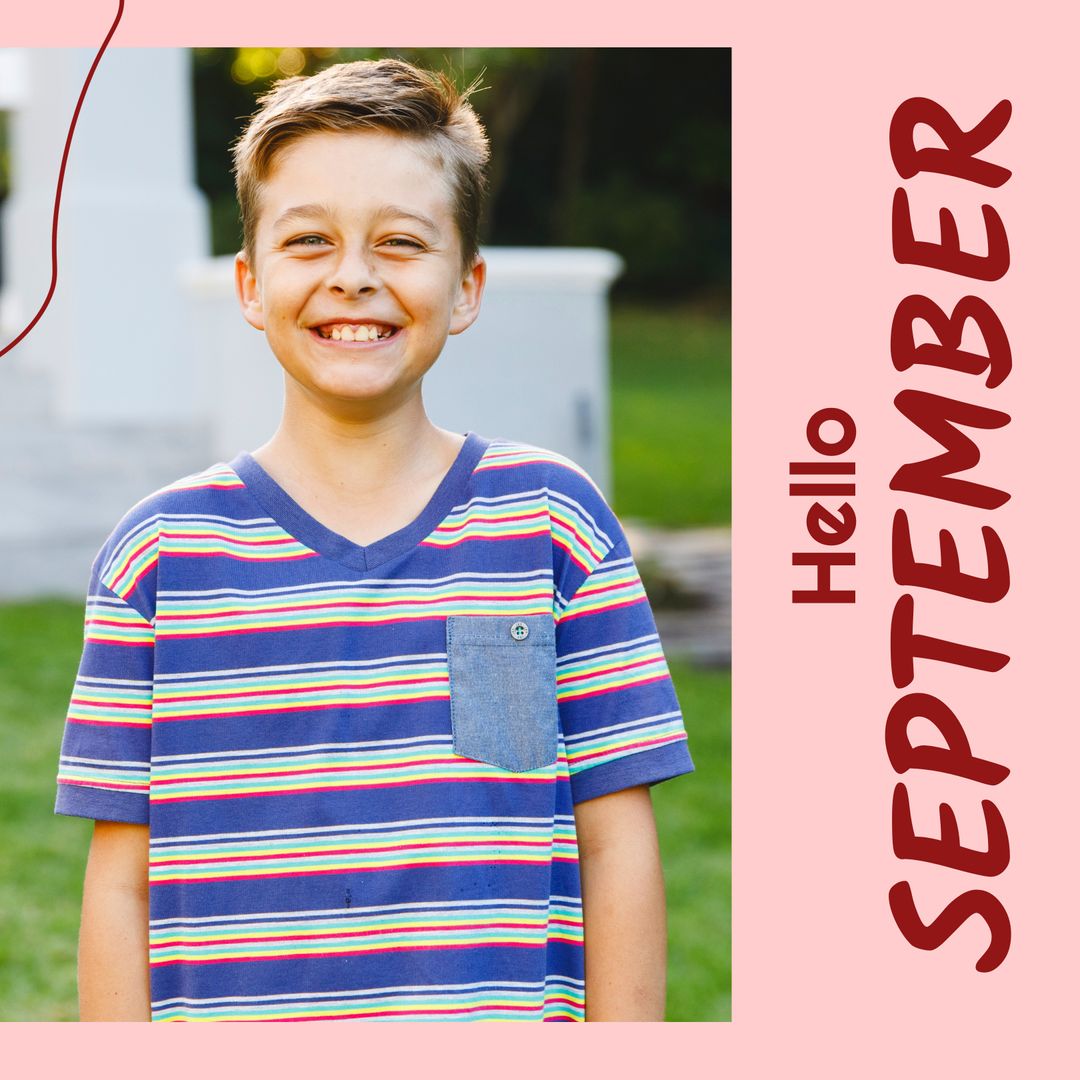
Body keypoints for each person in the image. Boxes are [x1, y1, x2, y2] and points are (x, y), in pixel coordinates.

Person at [55, 57, 693, 1023]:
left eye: (400, 242)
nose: (353, 277)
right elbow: (121, 884)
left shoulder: (552, 524)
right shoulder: (159, 555)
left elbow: (616, 847)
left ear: (468, 286)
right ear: (252, 284)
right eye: (309, 240)